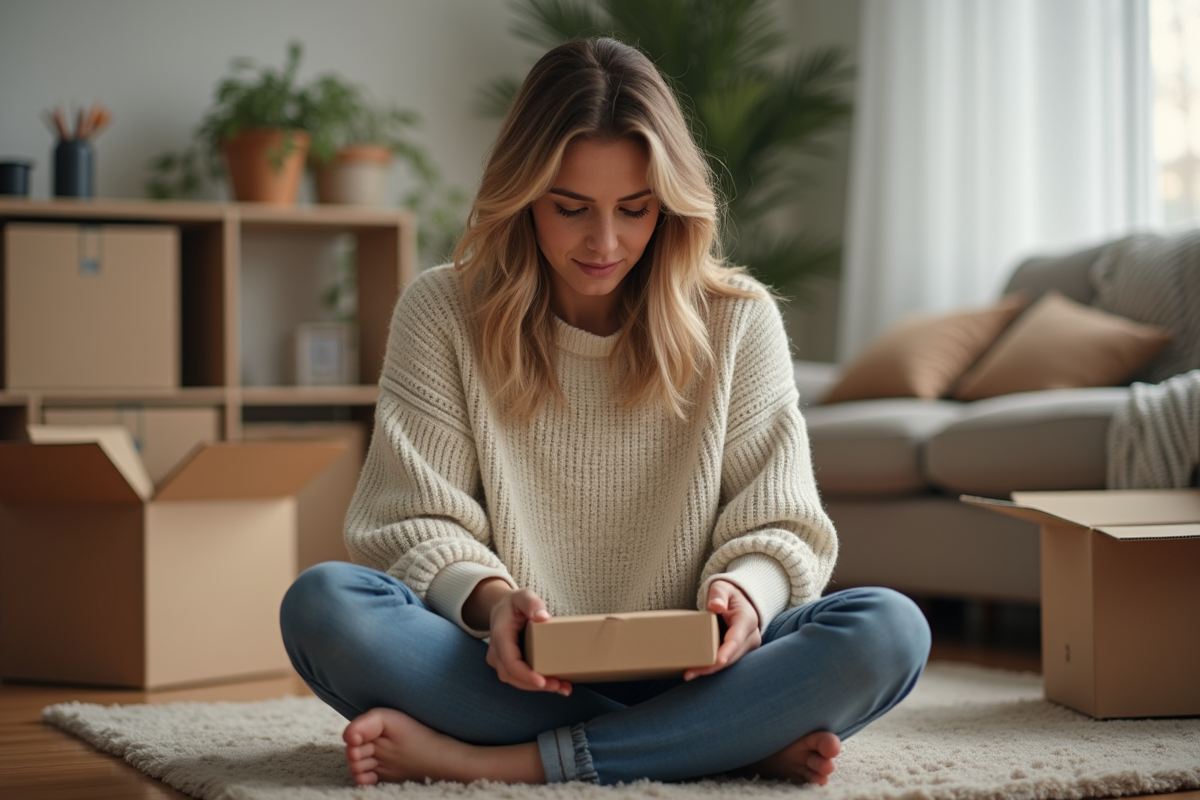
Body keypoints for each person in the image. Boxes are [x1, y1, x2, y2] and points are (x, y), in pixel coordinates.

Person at [280, 36, 930, 787]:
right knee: (324, 607)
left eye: (635, 208)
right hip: (514, 673)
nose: (605, 241)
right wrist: (492, 605)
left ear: (669, 204)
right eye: (571, 208)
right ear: (523, 195)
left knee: (890, 630)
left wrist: (747, 595)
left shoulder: (739, 319)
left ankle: (511, 762)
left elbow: (782, 523)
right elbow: (412, 518)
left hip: (704, 671)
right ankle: (721, 742)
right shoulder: (442, 311)